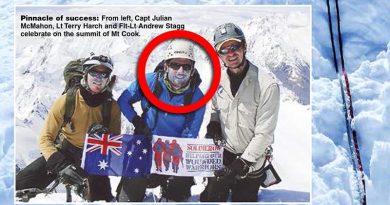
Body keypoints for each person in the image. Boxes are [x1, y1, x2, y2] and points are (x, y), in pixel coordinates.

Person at [16, 54, 121, 202]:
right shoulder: (67, 100)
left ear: (109, 78)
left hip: (94, 157)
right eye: (94, 73)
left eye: (104, 75)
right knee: (19, 185)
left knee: (102, 200)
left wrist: (105, 137)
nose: (99, 79)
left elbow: (115, 144)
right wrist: (61, 166)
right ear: (85, 74)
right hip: (65, 152)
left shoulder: (112, 107)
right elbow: (45, 139)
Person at [116, 39, 206, 202]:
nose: (180, 71)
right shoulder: (150, 81)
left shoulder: (196, 96)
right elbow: (124, 100)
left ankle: (172, 186)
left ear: (192, 70)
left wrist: (171, 156)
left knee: (176, 196)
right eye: (175, 65)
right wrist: (136, 120)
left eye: (186, 66)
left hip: (175, 152)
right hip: (144, 145)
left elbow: (191, 131)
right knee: (127, 199)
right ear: (166, 66)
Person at [200, 23, 280, 202]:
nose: (230, 53)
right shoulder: (218, 81)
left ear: (244, 46)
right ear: (218, 55)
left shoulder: (266, 85)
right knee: (209, 199)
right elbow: (215, 107)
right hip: (225, 155)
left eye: (234, 46)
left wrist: (242, 163)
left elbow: (264, 133)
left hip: (251, 162)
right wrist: (214, 125)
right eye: (224, 49)